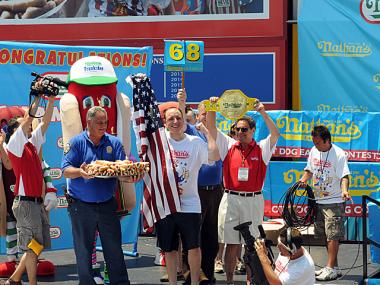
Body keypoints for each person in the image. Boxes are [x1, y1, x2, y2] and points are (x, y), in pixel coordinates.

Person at [62, 106, 143, 285]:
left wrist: (131, 176)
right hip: (81, 205)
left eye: (105, 122)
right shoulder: (76, 142)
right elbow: (66, 170)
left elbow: (121, 170)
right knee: (83, 250)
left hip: (107, 204)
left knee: (114, 249)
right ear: (88, 122)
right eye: (99, 122)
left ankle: (120, 282)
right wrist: (80, 172)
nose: (103, 125)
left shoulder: (113, 143)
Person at [207, 96, 280, 285]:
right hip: (231, 198)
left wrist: (263, 112)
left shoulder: (262, 148)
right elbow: (212, 129)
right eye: (238, 129)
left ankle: (251, 281)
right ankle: (230, 281)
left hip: (253, 200)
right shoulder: (229, 146)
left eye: (244, 129)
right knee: (231, 244)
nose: (240, 132)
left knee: (252, 245)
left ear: (253, 131)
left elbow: (275, 134)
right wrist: (213, 107)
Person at [155, 103, 220, 285]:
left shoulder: (195, 142)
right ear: (164, 122)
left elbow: (214, 156)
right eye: (171, 119)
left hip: (190, 203)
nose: (175, 121)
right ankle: (173, 283)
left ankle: (194, 282)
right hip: (166, 204)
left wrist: (207, 133)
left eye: (179, 118)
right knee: (169, 248)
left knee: (194, 246)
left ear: (184, 121)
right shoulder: (158, 141)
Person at [4, 90, 58, 285]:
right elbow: (29, 119)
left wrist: (50, 100)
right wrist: (36, 97)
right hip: (26, 204)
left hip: (35, 202)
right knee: (31, 248)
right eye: (22, 125)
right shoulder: (14, 144)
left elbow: (44, 123)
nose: (28, 127)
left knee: (36, 246)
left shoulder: (30, 144)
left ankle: (15, 279)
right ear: (15, 131)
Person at [178, 91, 224, 284]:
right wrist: (182, 102)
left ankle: (207, 273)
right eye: (204, 113)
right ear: (197, 115)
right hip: (196, 190)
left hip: (215, 191)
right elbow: (179, 120)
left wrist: (213, 106)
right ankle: (191, 274)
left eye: (210, 113)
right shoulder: (191, 131)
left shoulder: (216, 133)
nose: (206, 117)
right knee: (192, 235)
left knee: (211, 236)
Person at [299, 125, 350, 281]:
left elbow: (345, 176)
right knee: (324, 235)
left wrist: (344, 190)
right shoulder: (314, 151)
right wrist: (303, 179)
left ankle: (329, 268)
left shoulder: (339, 154)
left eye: (318, 142)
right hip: (319, 200)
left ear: (327, 141)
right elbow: (309, 170)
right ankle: (334, 267)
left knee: (332, 235)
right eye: (314, 142)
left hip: (334, 201)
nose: (316, 145)